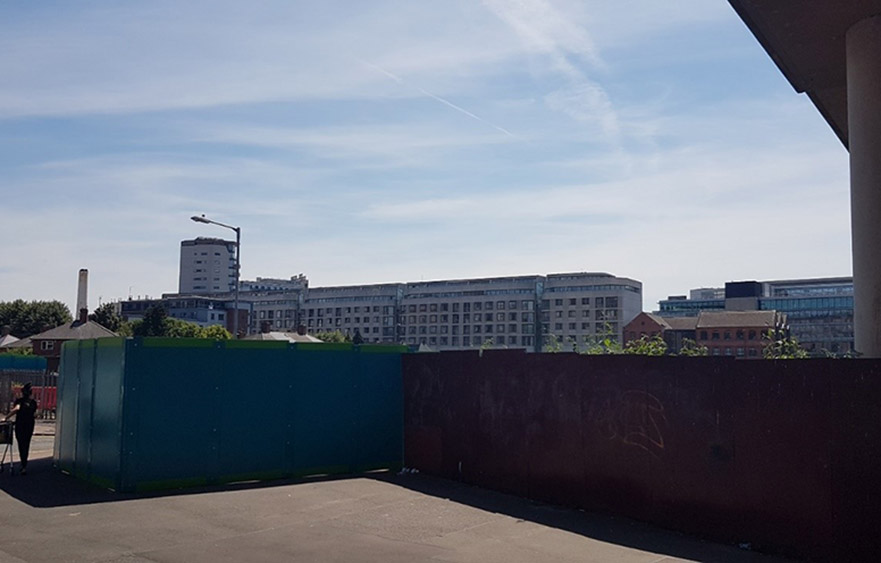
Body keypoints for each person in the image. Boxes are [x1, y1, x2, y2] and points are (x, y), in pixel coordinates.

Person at [4, 383, 38, 475]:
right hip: (29, 426)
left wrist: (6, 418)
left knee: (21, 444)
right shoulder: (33, 403)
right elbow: (35, 414)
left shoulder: (19, 401)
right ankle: (24, 465)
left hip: (20, 425)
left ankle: (23, 464)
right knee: (26, 444)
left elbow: (16, 409)